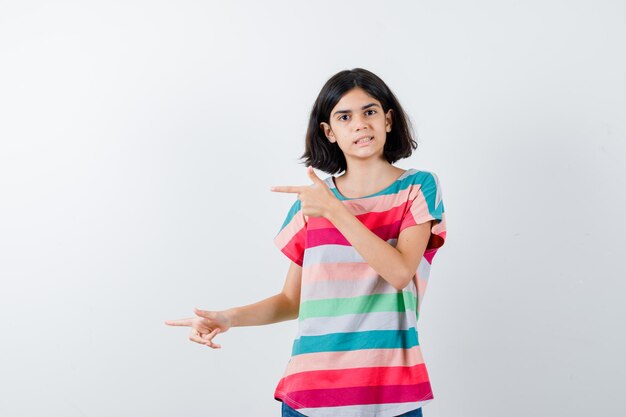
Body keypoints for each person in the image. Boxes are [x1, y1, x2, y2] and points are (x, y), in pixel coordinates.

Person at [165, 68, 447, 417]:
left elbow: (401, 271)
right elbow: (291, 300)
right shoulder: (312, 203)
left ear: (388, 120)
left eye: (370, 111)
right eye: (345, 116)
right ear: (329, 132)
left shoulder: (417, 188)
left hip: (390, 394)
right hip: (310, 395)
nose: (360, 124)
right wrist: (228, 318)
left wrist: (337, 212)